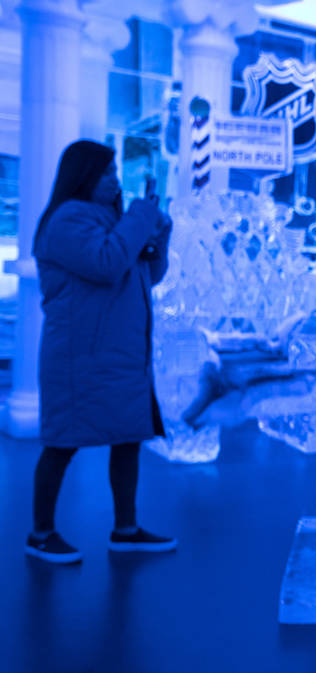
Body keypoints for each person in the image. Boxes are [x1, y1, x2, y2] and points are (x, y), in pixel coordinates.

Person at [26, 140, 175, 564]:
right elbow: (107, 263)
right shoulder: (67, 220)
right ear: (83, 175)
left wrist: (159, 233)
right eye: (107, 172)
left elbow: (148, 275)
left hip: (117, 355)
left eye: (114, 172)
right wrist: (141, 216)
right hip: (81, 358)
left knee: (128, 438)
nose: (114, 180)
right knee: (61, 444)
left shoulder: (111, 219)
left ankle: (125, 530)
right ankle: (40, 534)